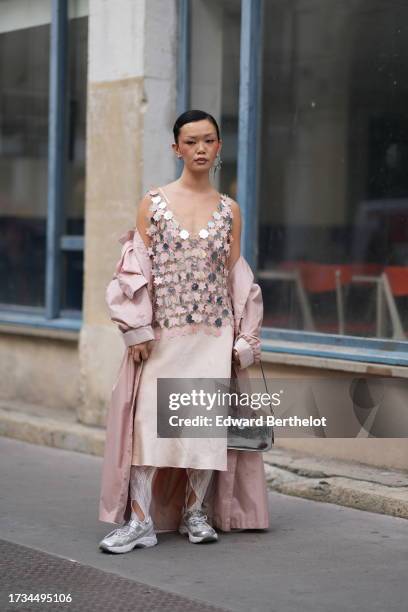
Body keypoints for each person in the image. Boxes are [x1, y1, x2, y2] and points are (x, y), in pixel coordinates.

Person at [99, 109, 247, 553]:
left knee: (202, 428)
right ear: (176, 147)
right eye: (191, 141)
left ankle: (194, 513)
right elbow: (135, 268)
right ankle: (141, 521)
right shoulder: (154, 202)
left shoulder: (229, 209)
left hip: (213, 334)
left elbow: (236, 274)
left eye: (208, 140)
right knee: (148, 424)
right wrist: (136, 328)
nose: (200, 148)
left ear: (219, 147)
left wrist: (246, 336)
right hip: (163, 335)